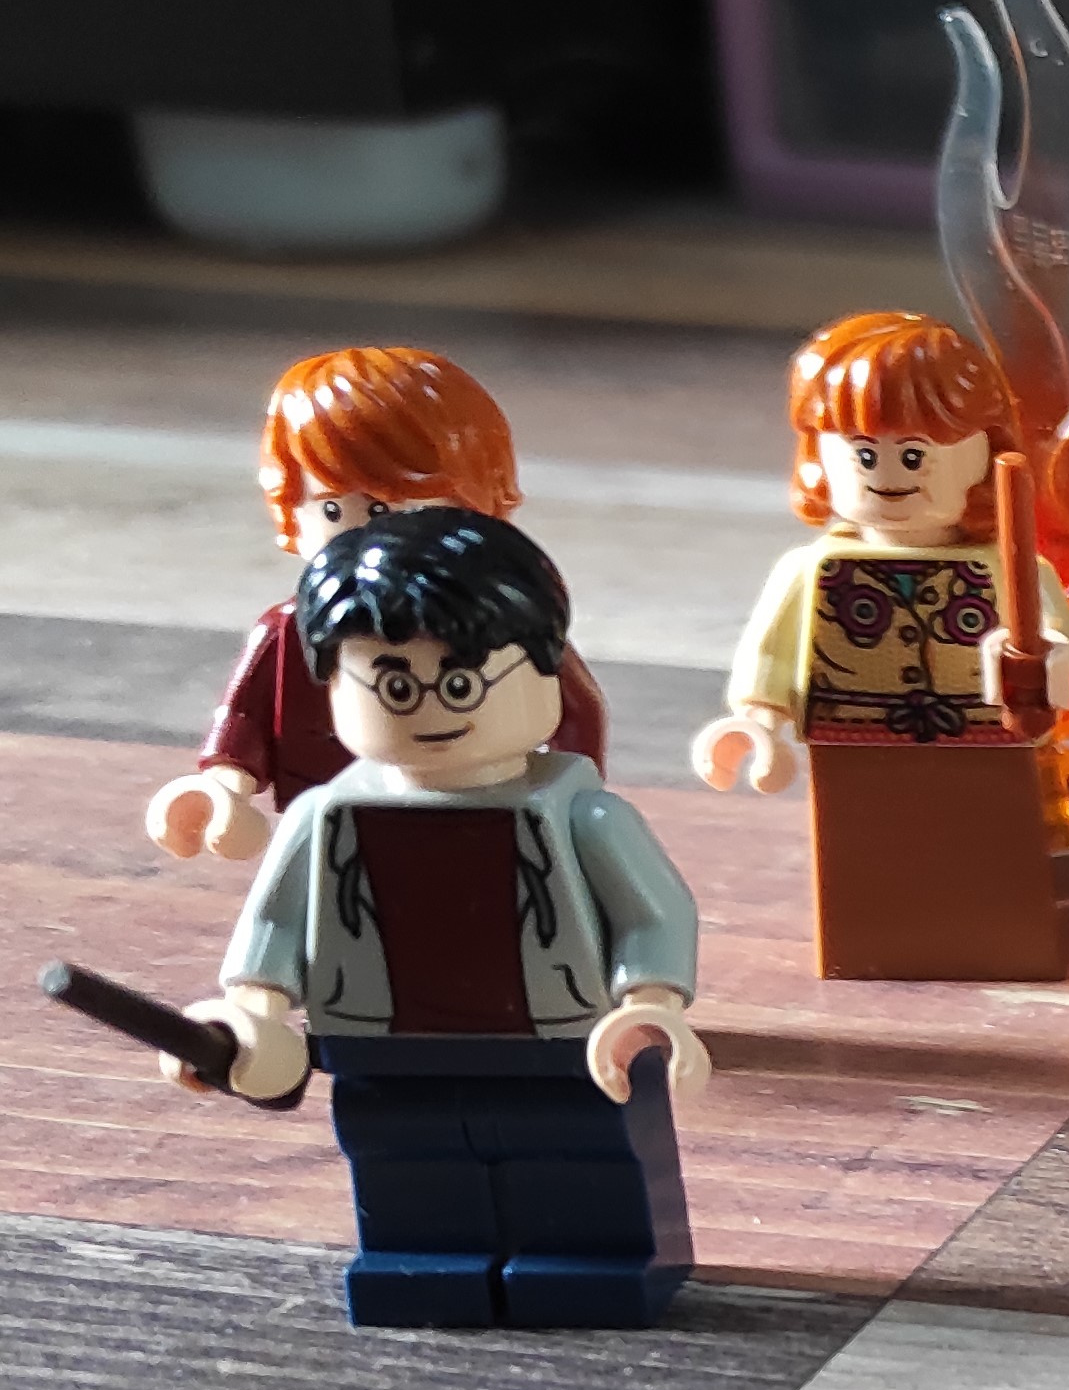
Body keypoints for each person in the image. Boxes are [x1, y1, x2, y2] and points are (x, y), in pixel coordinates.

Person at [174, 508, 705, 1329]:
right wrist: (250, 1013)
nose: (429, 707)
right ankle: (422, 1259)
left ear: (545, 671)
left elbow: (651, 915)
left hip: (559, 1043)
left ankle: (592, 1261)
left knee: (576, 1156)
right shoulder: (322, 817)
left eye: (460, 682)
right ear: (333, 683)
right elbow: (274, 930)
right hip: (381, 1042)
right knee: (402, 1158)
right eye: (392, 684)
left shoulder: (582, 814)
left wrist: (650, 1003)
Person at [693, 311, 1069, 980]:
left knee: (993, 856)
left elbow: (1061, 641)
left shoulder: (1010, 569)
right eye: (864, 452)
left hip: (985, 746)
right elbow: (770, 656)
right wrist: (758, 722)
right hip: (852, 747)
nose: (887, 473)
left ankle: (995, 941)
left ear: (981, 454)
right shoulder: (809, 571)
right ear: (822, 456)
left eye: (914, 453)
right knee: (865, 864)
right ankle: (878, 947)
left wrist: (1037, 656)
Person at [145, 347, 607, 861]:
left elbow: (576, 710)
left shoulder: (498, 615)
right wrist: (223, 791)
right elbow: (243, 721)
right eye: (332, 509)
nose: (364, 535)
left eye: (387, 509)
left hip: (484, 813)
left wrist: (571, 804)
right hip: (334, 825)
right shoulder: (293, 628)